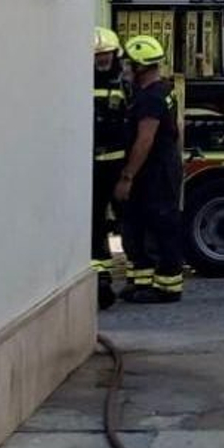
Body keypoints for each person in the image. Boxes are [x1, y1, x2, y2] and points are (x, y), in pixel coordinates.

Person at [114, 34, 186, 304]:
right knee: (139, 225)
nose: (126, 69)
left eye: (130, 65)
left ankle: (167, 287)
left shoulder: (150, 99)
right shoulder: (162, 90)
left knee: (160, 226)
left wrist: (127, 176)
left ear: (141, 67)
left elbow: (145, 140)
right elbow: (177, 131)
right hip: (160, 168)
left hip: (153, 171)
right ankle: (142, 282)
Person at [91, 26, 128, 310]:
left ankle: (142, 277)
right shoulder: (80, 80)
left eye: (106, 54)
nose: (102, 59)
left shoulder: (124, 83)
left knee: (131, 220)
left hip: (118, 164)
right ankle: (99, 277)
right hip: (91, 165)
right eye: (97, 55)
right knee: (94, 223)